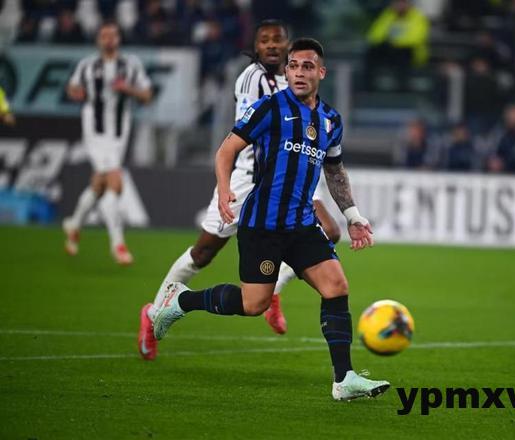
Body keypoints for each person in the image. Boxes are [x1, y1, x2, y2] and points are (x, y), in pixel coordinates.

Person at [152, 38, 390, 400]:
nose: (298, 72)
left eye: (307, 66)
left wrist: (353, 215)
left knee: (336, 286)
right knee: (254, 305)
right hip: (262, 225)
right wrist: (224, 189)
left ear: (321, 73)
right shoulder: (270, 108)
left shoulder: (330, 120)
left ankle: (344, 379)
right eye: (293, 66)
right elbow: (226, 150)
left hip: (301, 224)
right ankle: (181, 301)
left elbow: (335, 171)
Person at [137, 21, 341, 360]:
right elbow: (249, 133)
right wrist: (224, 186)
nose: (272, 45)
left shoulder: (294, 77)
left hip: (287, 178)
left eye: (278, 40)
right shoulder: (251, 78)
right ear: (255, 47)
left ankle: (273, 289)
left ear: (288, 45)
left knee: (330, 231)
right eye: (265, 40)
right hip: (249, 179)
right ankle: (155, 311)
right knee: (204, 252)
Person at [63, 21, 152, 265]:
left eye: (113, 35)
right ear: (98, 40)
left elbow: (147, 95)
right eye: (104, 35)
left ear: (119, 38)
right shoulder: (87, 65)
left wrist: (127, 88)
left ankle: (74, 224)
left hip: (119, 133)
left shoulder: (130, 65)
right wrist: (75, 93)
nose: (109, 39)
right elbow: (72, 88)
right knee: (115, 180)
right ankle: (118, 244)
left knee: (100, 183)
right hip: (95, 131)